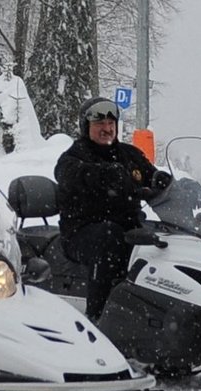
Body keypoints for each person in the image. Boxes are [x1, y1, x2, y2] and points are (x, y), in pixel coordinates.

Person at [54, 97, 172, 322]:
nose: (107, 129)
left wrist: (163, 181)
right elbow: (71, 176)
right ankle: (98, 318)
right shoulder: (72, 158)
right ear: (85, 126)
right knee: (109, 237)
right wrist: (106, 177)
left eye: (111, 123)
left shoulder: (129, 154)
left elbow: (149, 174)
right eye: (100, 124)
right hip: (81, 232)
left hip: (128, 227)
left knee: (165, 240)